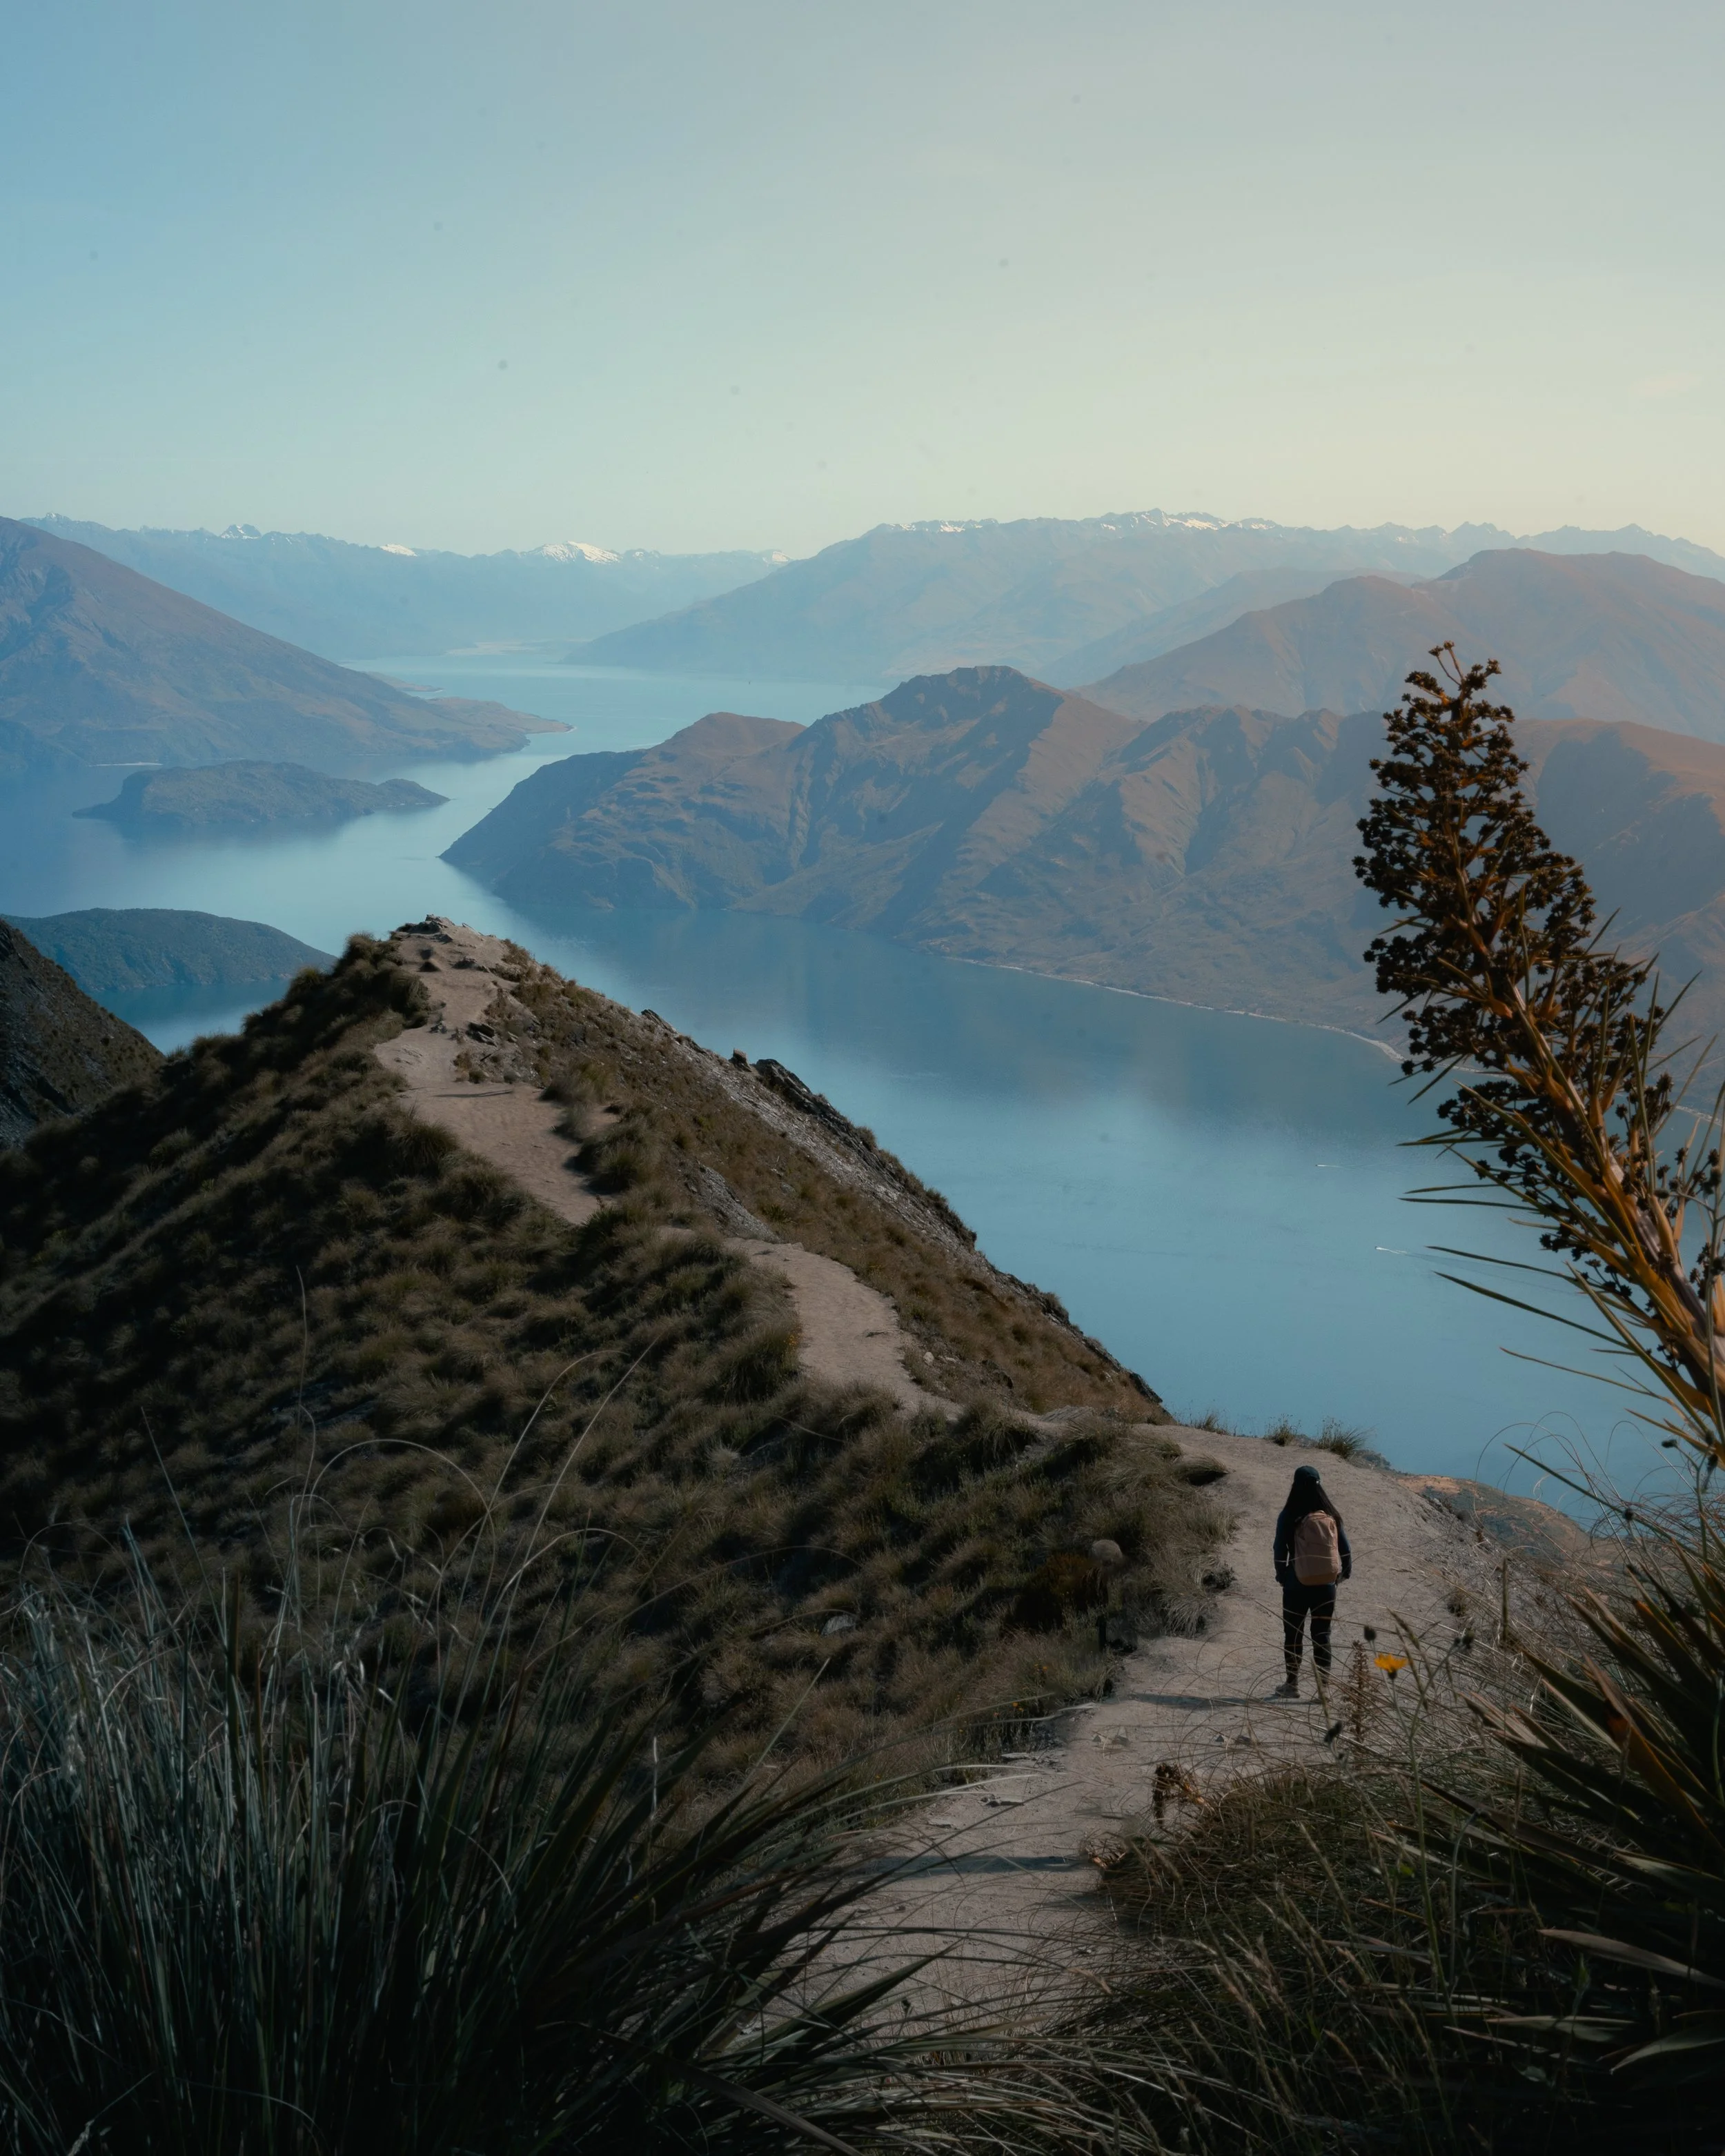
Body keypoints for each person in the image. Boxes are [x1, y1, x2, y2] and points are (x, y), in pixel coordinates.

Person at [1271, 1463, 1350, 1698]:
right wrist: (1342, 1575)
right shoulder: (1331, 1514)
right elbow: (1344, 1549)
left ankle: (1292, 1685)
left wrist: (1282, 1574)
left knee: (1293, 1634)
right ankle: (1323, 1689)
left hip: (1297, 1584)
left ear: (1295, 1485)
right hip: (1326, 1585)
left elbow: (1279, 1548)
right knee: (1322, 1635)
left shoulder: (1289, 1514)